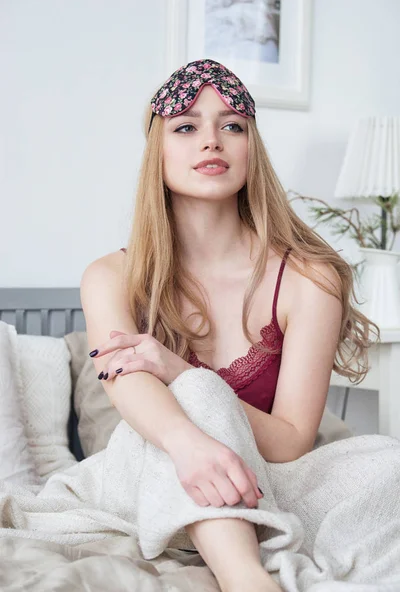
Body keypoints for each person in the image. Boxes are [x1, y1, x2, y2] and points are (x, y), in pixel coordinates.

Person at [80, 59, 377, 592]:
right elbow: (130, 390)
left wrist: (177, 368)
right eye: (187, 126)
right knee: (189, 401)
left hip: (266, 477)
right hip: (153, 465)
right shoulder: (109, 277)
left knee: (386, 466)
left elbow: (289, 444)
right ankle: (248, 581)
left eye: (232, 125)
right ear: (159, 150)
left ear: (250, 148)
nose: (212, 141)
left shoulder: (312, 278)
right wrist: (189, 440)